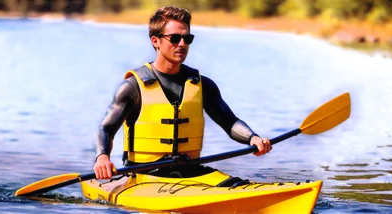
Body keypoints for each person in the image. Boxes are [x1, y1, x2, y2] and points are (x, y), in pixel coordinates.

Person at [92, 6, 272, 183]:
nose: (182, 44)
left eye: (187, 38)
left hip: (191, 171)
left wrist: (252, 137)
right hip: (145, 176)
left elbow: (229, 122)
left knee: (237, 185)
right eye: (175, 38)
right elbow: (106, 129)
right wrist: (102, 157)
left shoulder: (203, 85)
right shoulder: (133, 87)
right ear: (155, 41)